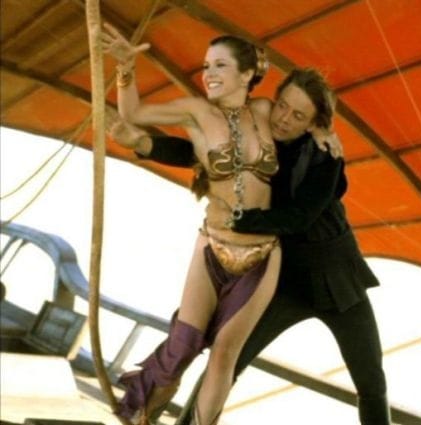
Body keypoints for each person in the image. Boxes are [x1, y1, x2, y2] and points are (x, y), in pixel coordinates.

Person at [109, 68, 391, 424]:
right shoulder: (252, 135)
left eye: (299, 115)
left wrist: (241, 220)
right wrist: (143, 144)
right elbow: (199, 151)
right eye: (282, 106)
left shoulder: (324, 154)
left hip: (337, 281)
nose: (284, 119)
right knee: (227, 359)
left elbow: (300, 217)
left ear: (313, 123)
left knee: (371, 379)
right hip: (283, 283)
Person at [102, 25, 288, 425]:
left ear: (247, 74)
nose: (209, 74)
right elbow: (134, 113)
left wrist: (326, 131)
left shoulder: (265, 110)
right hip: (213, 244)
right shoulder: (196, 111)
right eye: (206, 66)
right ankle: (142, 414)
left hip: (263, 254)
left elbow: (302, 124)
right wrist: (126, 68)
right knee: (183, 346)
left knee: (224, 355)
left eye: (220, 65)